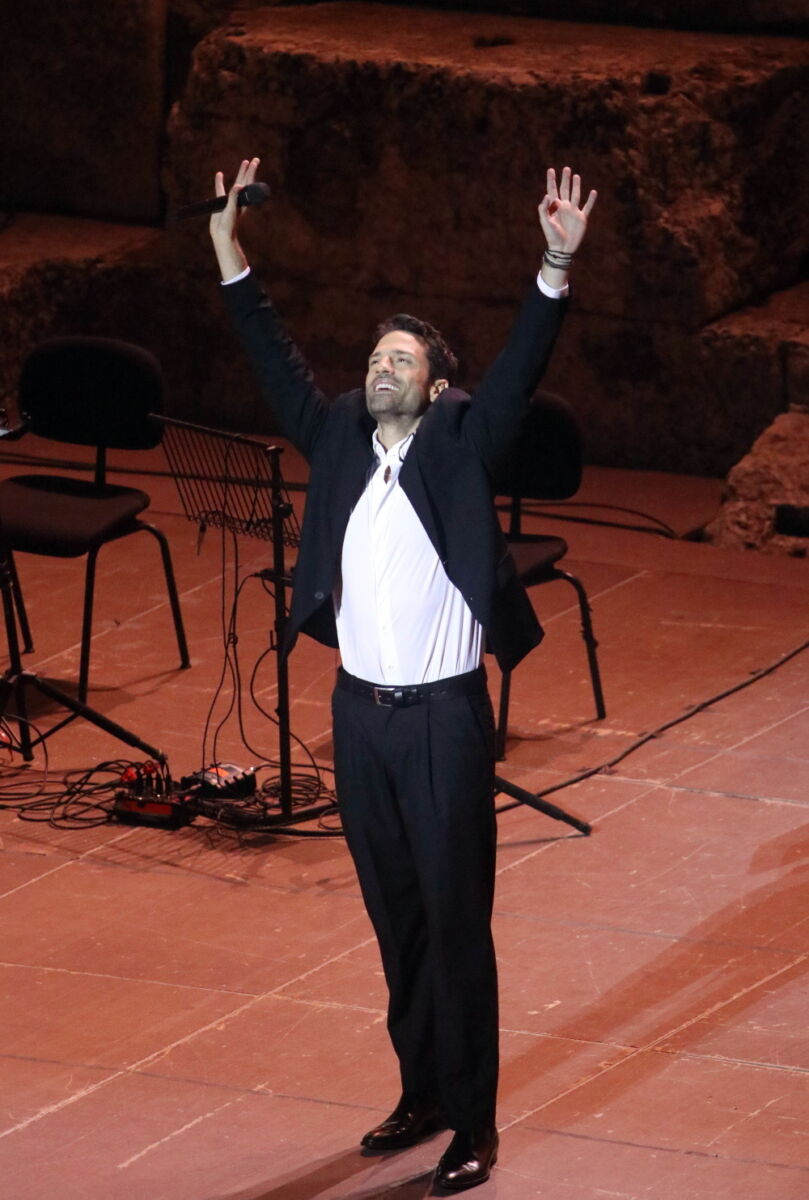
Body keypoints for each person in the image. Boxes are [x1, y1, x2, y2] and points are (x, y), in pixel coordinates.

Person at [210, 159, 596, 1191]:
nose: (382, 367)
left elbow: (519, 367)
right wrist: (229, 255)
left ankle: (472, 1125)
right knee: (397, 918)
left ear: (433, 385)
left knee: (455, 921)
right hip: (360, 720)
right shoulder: (338, 437)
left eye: (402, 359)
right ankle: (420, 1091)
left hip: (441, 725)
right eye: (376, 355)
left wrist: (554, 264)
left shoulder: (463, 440)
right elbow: (274, 359)